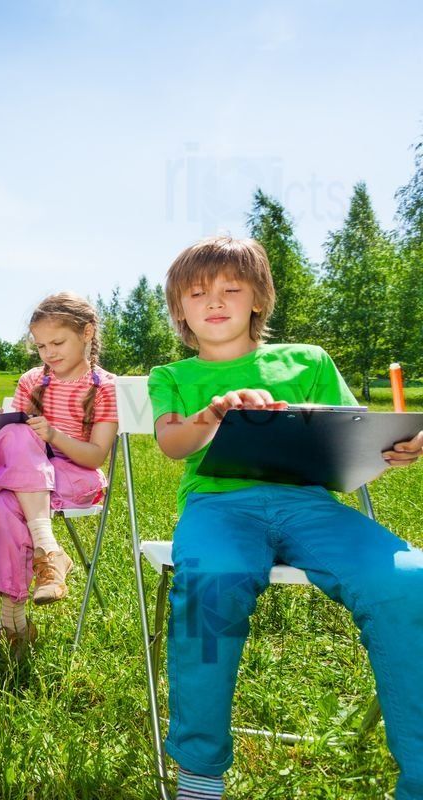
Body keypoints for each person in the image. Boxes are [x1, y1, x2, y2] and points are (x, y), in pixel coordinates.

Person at [148, 235, 423, 800]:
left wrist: (393, 448)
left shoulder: (308, 360)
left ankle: (418, 773)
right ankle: (200, 769)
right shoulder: (171, 376)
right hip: (218, 507)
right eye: (197, 293)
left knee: (406, 579)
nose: (214, 301)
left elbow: (348, 439)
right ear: (179, 309)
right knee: (210, 583)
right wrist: (213, 415)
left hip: (310, 504)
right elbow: (172, 445)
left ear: (258, 298)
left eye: (231, 289)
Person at [0, 292, 117, 649]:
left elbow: (96, 456)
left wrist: (53, 435)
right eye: (41, 346)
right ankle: (48, 552)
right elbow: (11, 441)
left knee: (6, 501)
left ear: (86, 333)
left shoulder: (104, 387)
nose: (49, 352)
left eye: (57, 342)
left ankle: (13, 620)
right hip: (29, 474)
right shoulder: (31, 381)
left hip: (76, 474)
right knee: (16, 441)